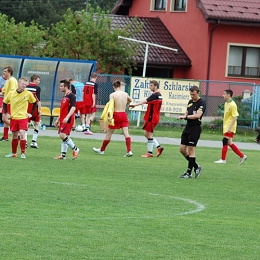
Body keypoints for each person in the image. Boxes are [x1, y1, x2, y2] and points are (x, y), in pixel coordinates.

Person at [93, 80, 133, 157]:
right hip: (124, 114)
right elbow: (130, 100)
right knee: (126, 133)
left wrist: (109, 116)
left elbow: (111, 106)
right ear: (120, 86)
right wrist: (126, 102)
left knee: (109, 133)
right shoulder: (125, 94)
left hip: (116, 114)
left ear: (113, 87)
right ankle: (129, 151)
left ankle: (102, 150)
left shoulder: (112, 94)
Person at [3, 77, 37, 159]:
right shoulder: (11, 93)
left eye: (25, 84)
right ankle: (13, 153)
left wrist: (30, 114)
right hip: (14, 117)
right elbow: (5, 103)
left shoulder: (28, 94)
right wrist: (7, 113)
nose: (24, 86)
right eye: (23, 84)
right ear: (19, 83)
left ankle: (23, 153)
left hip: (23, 117)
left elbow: (35, 103)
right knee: (14, 136)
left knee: (22, 133)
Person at [129, 80, 164, 158]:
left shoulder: (155, 95)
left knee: (149, 134)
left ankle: (150, 153)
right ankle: (158, 147)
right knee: (146, 134)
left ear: (155, 86)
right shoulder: (159, 95)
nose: (150, 87)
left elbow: (145, 101)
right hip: (154, 117)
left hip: (151, 117)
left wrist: (135, 105)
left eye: (151, 85)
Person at [177, 85, 206, 178]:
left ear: (198, 93)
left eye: (193, 94)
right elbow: (187, 112)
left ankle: (188, 173)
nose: (192, 96)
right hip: (188, 127)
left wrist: (186, 117)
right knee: (182, 149)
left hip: (195, 128)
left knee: (191, 149)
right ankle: (196, 167)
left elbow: (198, 115)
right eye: (191, 94)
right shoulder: (190, 102)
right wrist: (183, 116)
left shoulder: (202, 102)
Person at [214, 89, 247, 164]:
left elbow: (235, 117)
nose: (223, 95)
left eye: (224, 94)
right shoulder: (226, 103)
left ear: (228, 95)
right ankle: (242, 156)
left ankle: (223, 159)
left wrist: (230, 127)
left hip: (230, 126)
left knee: (224, 141)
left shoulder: (233, 105)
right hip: (226, 126)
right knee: (229, 142)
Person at [54, 79, 80, 160]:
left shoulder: (71, 95)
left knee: (62, 135)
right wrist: (58, 119)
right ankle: (63, 155)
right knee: (64, 136)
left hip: (67, 119)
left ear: (66, 87)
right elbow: (62, 109)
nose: (60, 87)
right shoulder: (65, 96)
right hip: (62, 118)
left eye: (61, 86)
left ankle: (75, 149)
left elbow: (73, 107)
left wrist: (67, 117)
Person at [0, 66, 18, 141]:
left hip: (10, 103)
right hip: (6, 102)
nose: (3, 72)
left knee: (4, 118)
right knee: (5, 120)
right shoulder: (7, 81)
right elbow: (3, 93)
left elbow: (13, 92)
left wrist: (8, 101)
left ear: (9, 72)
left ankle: (18, 130)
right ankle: (5, 136)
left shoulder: (12, 80)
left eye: (5, 71)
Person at [26, 74, 42, 148]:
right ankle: (33, 142)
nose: (39, 81)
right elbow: (38, 99)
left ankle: (24, 141)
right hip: (34, 108)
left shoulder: (26, 87)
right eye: (38, 80)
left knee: (26, 124)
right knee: (37, 124)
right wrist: (40, 109)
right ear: (34, 80)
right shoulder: (37, 88)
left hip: (27, 108)